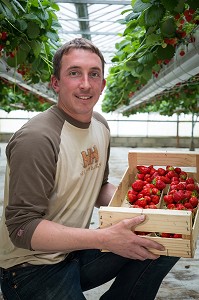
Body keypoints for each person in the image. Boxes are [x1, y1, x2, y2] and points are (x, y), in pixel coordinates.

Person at [0, 37, 179, 300]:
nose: (85, 84)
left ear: (103, 84)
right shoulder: (38, 139)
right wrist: (104, 239)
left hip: (74, 250)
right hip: (30, 268)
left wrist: (146, 204)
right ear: (56, 83)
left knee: (169, 239)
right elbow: (22, 229)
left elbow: (98, 188)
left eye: (93, 74)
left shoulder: (100, 126)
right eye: (74, 73)